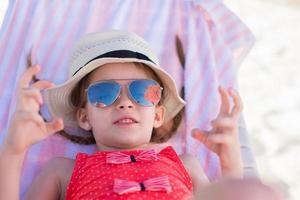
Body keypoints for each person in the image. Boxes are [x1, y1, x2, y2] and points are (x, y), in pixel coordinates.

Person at [0, 30, 243, 200]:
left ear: (158, 115)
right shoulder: (63, 171)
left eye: (141, 91)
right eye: (104, 93)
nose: (125, 103)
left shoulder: (186, 164)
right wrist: (13, 151)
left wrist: (230, 160)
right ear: (85, 117)